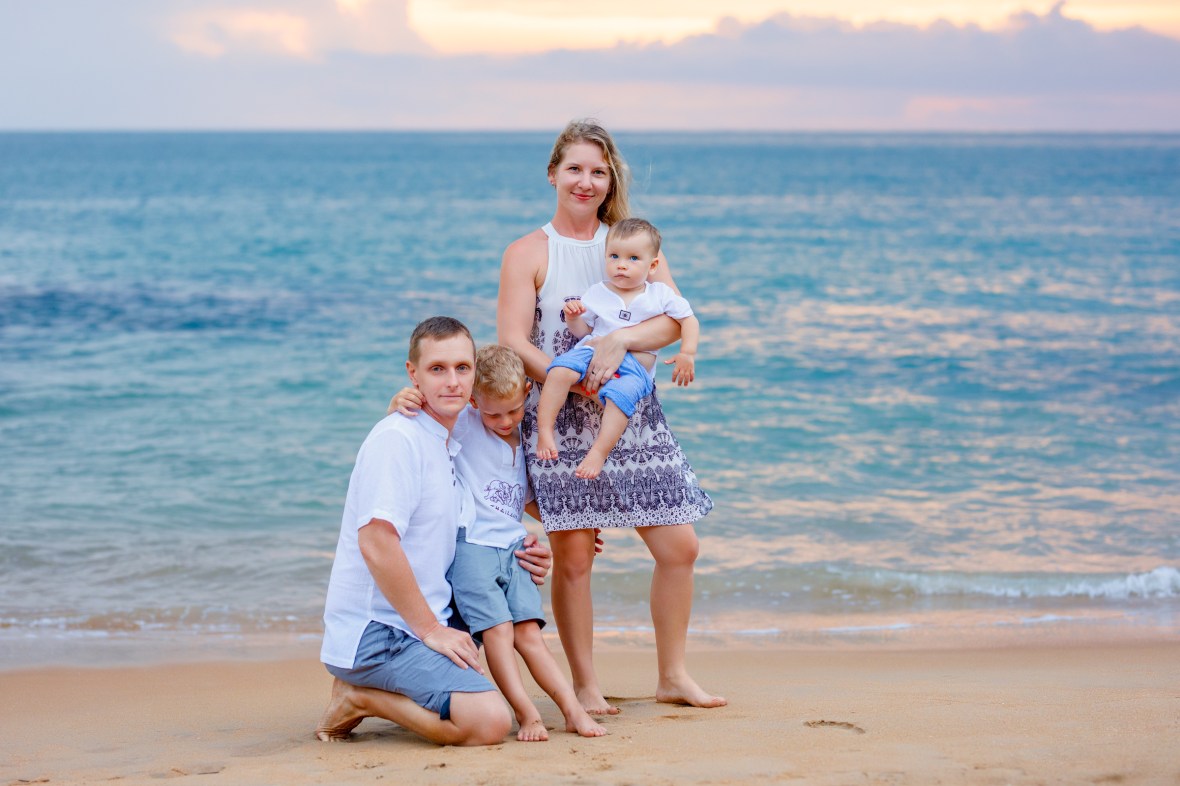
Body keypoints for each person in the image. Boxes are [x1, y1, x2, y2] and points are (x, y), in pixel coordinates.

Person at [497, 119, 726, 713]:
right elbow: (513, 339)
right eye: (574, 168)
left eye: (598, 171)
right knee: (572, 558)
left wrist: (619, 345)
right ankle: (584, 684)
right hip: (562, 414)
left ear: (610, 180)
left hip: (633, 417)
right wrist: (569, 380)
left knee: (681, 548)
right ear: (553, 174)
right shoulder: (527, 252)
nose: (586, 181)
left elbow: (675, 320)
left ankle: (673, 675)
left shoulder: (631, 244)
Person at [315, 316, 551, 746]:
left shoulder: (450, 443)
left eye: (462, 368)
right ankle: (360, 697)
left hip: (426, 617)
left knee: (507, 605)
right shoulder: (398, 440)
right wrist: (431, 631)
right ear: (413, 374)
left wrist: (528, 551)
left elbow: (492, 516)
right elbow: (375, 542)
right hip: (379, 632)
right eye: (437, 369)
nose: (452, 381)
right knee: (487, 723)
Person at [390, 345, 607, 741]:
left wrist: (574, 526)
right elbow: (416, 417)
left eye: (513, 410)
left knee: (530, 634)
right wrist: (398, 400)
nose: (504, 421)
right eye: (492, 412)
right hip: (473, 548)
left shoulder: (523, 434)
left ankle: (573, 712)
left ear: (526, 391)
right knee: (500, 633)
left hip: (514, 549)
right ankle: (528, 715)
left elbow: (522, 500)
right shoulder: (468, 423)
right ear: (474, 401)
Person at [535, 217, 699, 480]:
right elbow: (583, 332)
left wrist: (687, 352)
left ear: (653, 265)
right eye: (614, 256)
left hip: (634, 368)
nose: (621, 265)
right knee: (558, 371)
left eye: (633, 258)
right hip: (592, 351)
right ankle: (545, 431)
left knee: (619, 399)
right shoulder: (597, 292)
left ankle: (599, 452)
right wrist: (573, 317)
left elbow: (688, 320)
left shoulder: (659, 294)